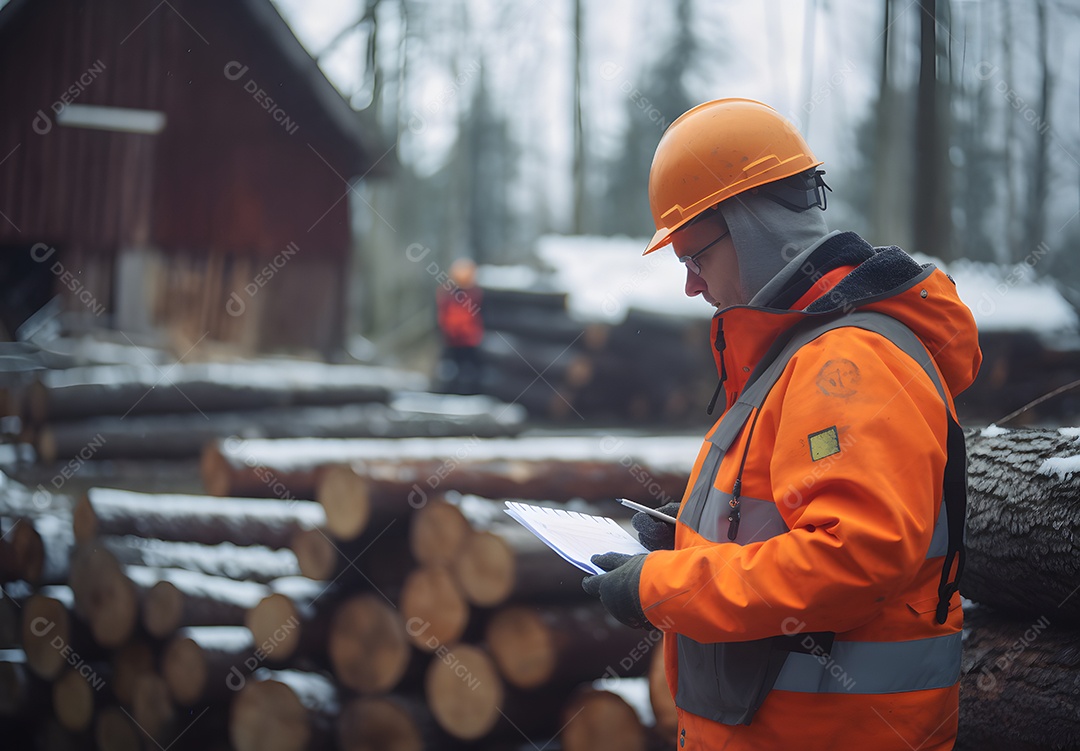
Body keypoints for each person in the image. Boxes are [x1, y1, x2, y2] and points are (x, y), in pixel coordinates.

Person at [582, 98, 981, 750]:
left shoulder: (847, 365)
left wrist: (662, 586)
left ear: (750, 228)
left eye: (694, 257)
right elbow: (791, 521)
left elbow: (849, 560)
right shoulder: (797, 358)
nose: (690, 286)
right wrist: (692, 536)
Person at [436, 258, 485, 394]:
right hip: (452, 341)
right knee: (450, 372)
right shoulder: (446, 295)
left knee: (471, 372)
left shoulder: (475, 295)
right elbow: (443, 318)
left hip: (470, 342)